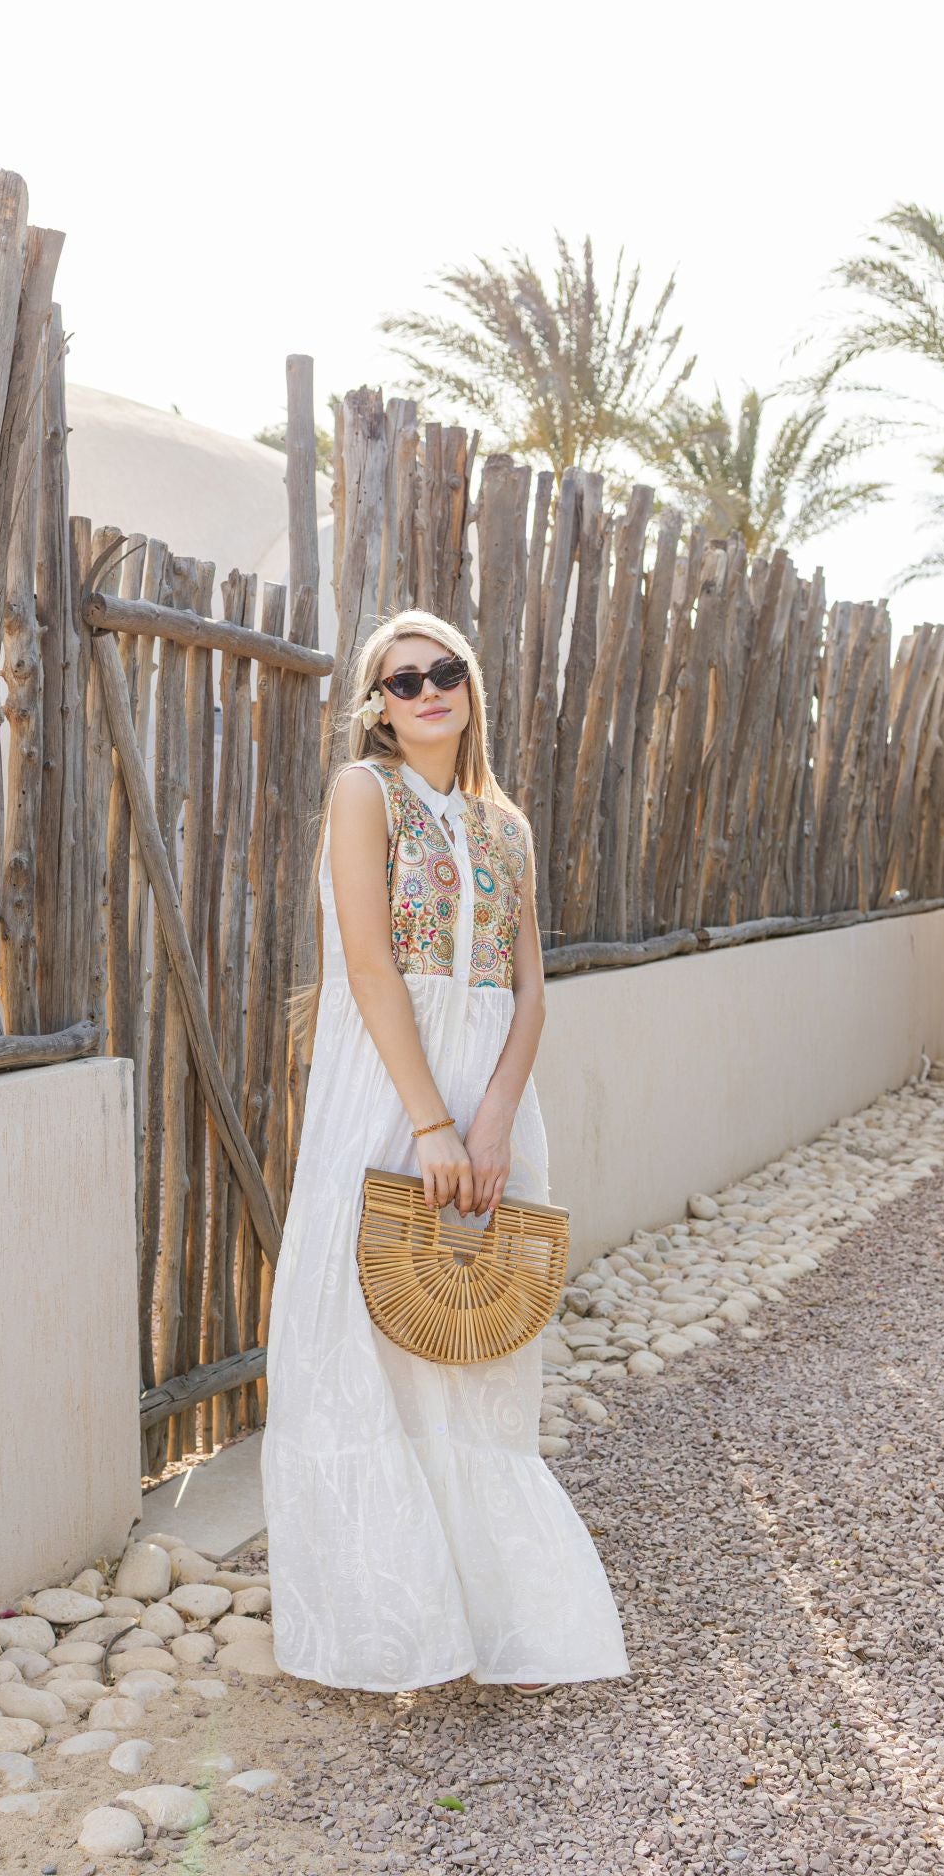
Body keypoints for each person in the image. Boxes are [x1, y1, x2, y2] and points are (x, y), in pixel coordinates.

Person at [261, 607, 631, 1695]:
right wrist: (429, 1123)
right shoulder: (362, 794)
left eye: (445, 671)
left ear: (470, 685)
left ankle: (486, 1609)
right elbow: (370, 967)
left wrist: (494, 1120)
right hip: (389, 1088)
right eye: (403, 679)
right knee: (360, 1334)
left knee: (473, 1347)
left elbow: (528, 992)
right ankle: (385, 1625)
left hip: (488, 1101)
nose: (427, 690)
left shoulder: (505, 824)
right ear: (378, 706)